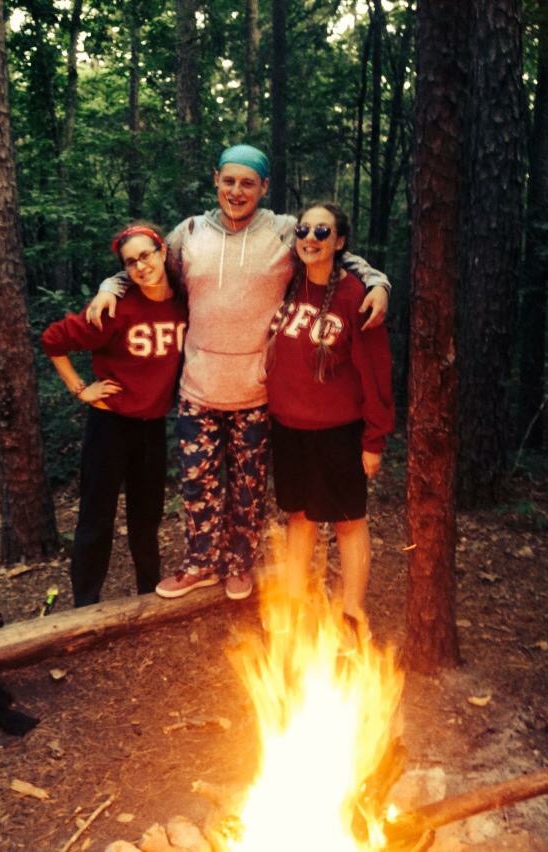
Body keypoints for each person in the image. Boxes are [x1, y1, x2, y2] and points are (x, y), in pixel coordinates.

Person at [86, 144, 390, 602]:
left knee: (248, 490)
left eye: (248, 183)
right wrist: (110, 285)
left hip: (255, 391)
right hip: (198, 387)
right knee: (198, 486)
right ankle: (200, 564)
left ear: (264, 187)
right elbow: (147, 267)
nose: (236, 191)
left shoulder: (284, 232)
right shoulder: (190, 233)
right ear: (215, 180)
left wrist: (378, 282)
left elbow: (331, 253)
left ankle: (237, 565)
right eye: (228, 181)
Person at [41, 223, 187, 607]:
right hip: (110, 425)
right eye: (130, 262)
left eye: (146, 255)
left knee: (147, 519)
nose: (141, 266)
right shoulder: (115, 308)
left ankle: (149, 594)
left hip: (152, 426)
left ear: (162, 251)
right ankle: (85, 604)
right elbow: (53, 340)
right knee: (96, 517)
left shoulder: (183, 304)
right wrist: (80, 389)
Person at [266, 202, 394, 636]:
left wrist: (374, 439)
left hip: (338, 431)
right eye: (304, 229)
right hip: (288, 428)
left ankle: (352, 611)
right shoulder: (287, 282)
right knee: (299, 517)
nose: (310, 238)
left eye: (323, 232)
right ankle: (293, 609)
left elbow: (375, 372)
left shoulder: (356, 295)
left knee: (348, 520)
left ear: (340, 242)